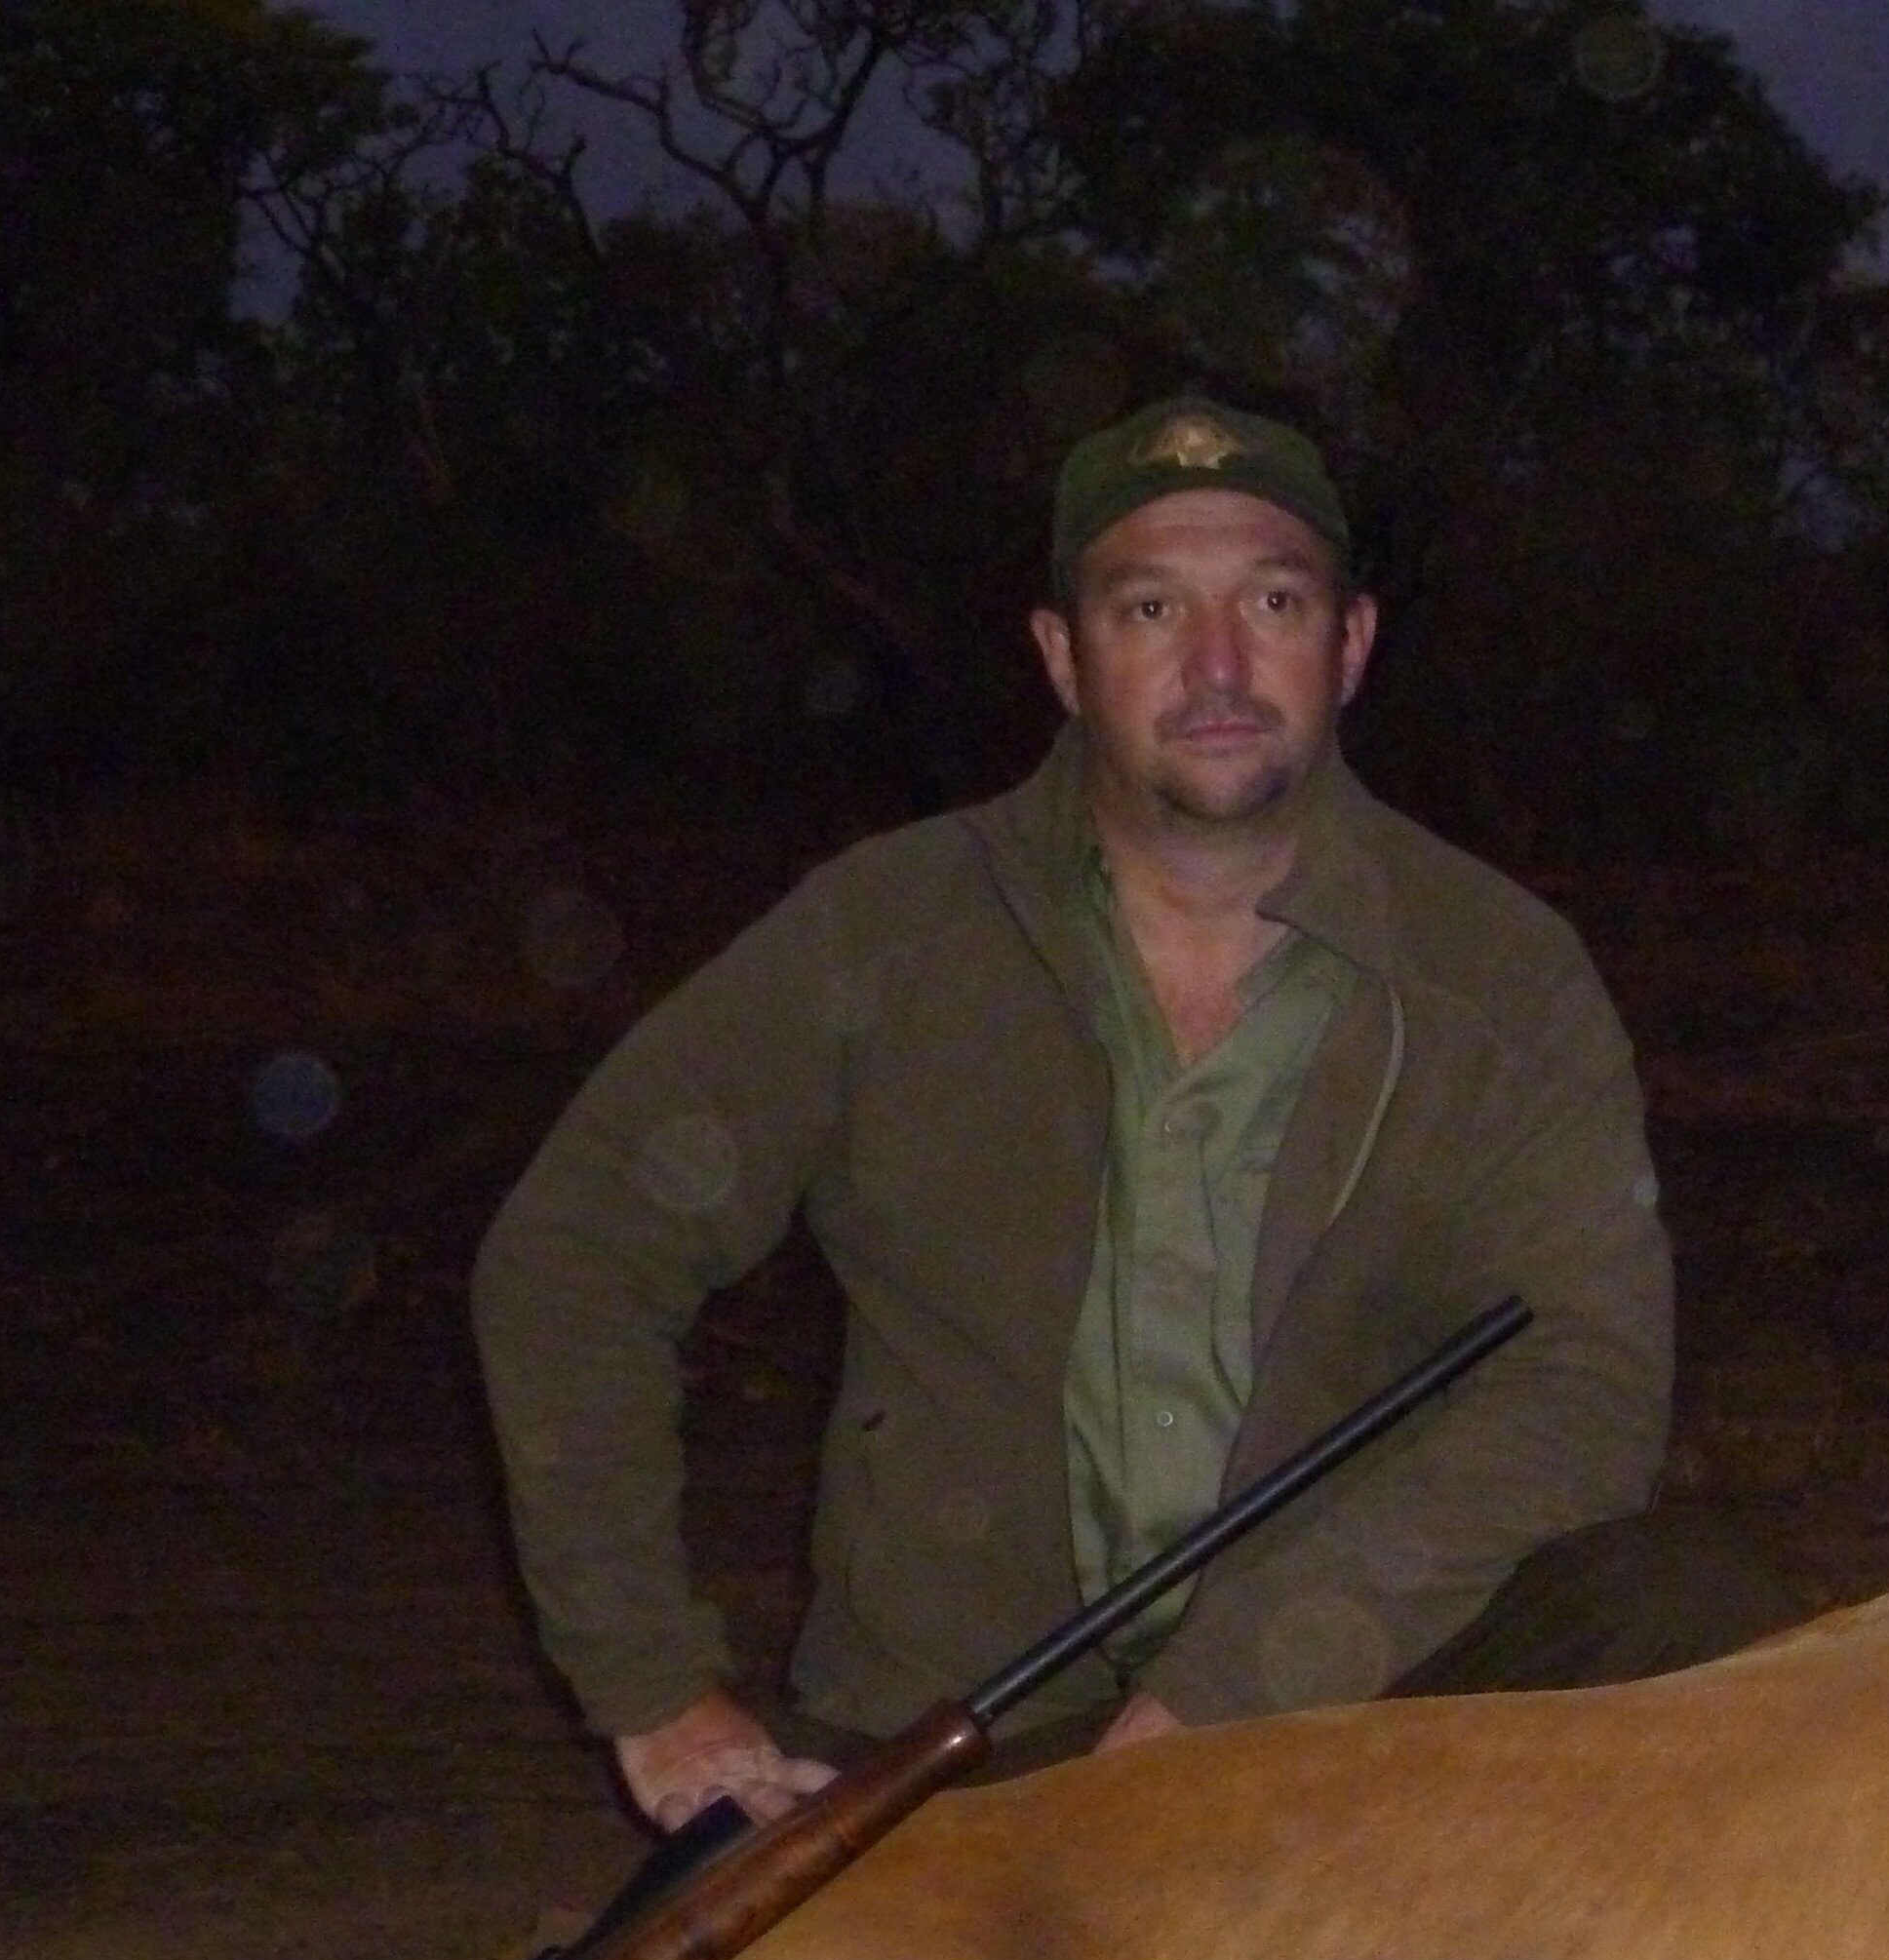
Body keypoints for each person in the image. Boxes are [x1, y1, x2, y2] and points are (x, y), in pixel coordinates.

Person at [475, 396, 1801, 1829]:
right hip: (973, 1741)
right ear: (1064, 656)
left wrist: (1241, 1687)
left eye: (1272, 602)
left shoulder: (1502, 971)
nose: (1217, 665)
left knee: (1695, 1609)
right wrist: (657, 1694)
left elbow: (1586, 1388)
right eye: (1151, 607)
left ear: (1350, 645)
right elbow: (575, 1258)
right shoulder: (884, 931)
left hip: (1352, 1700)